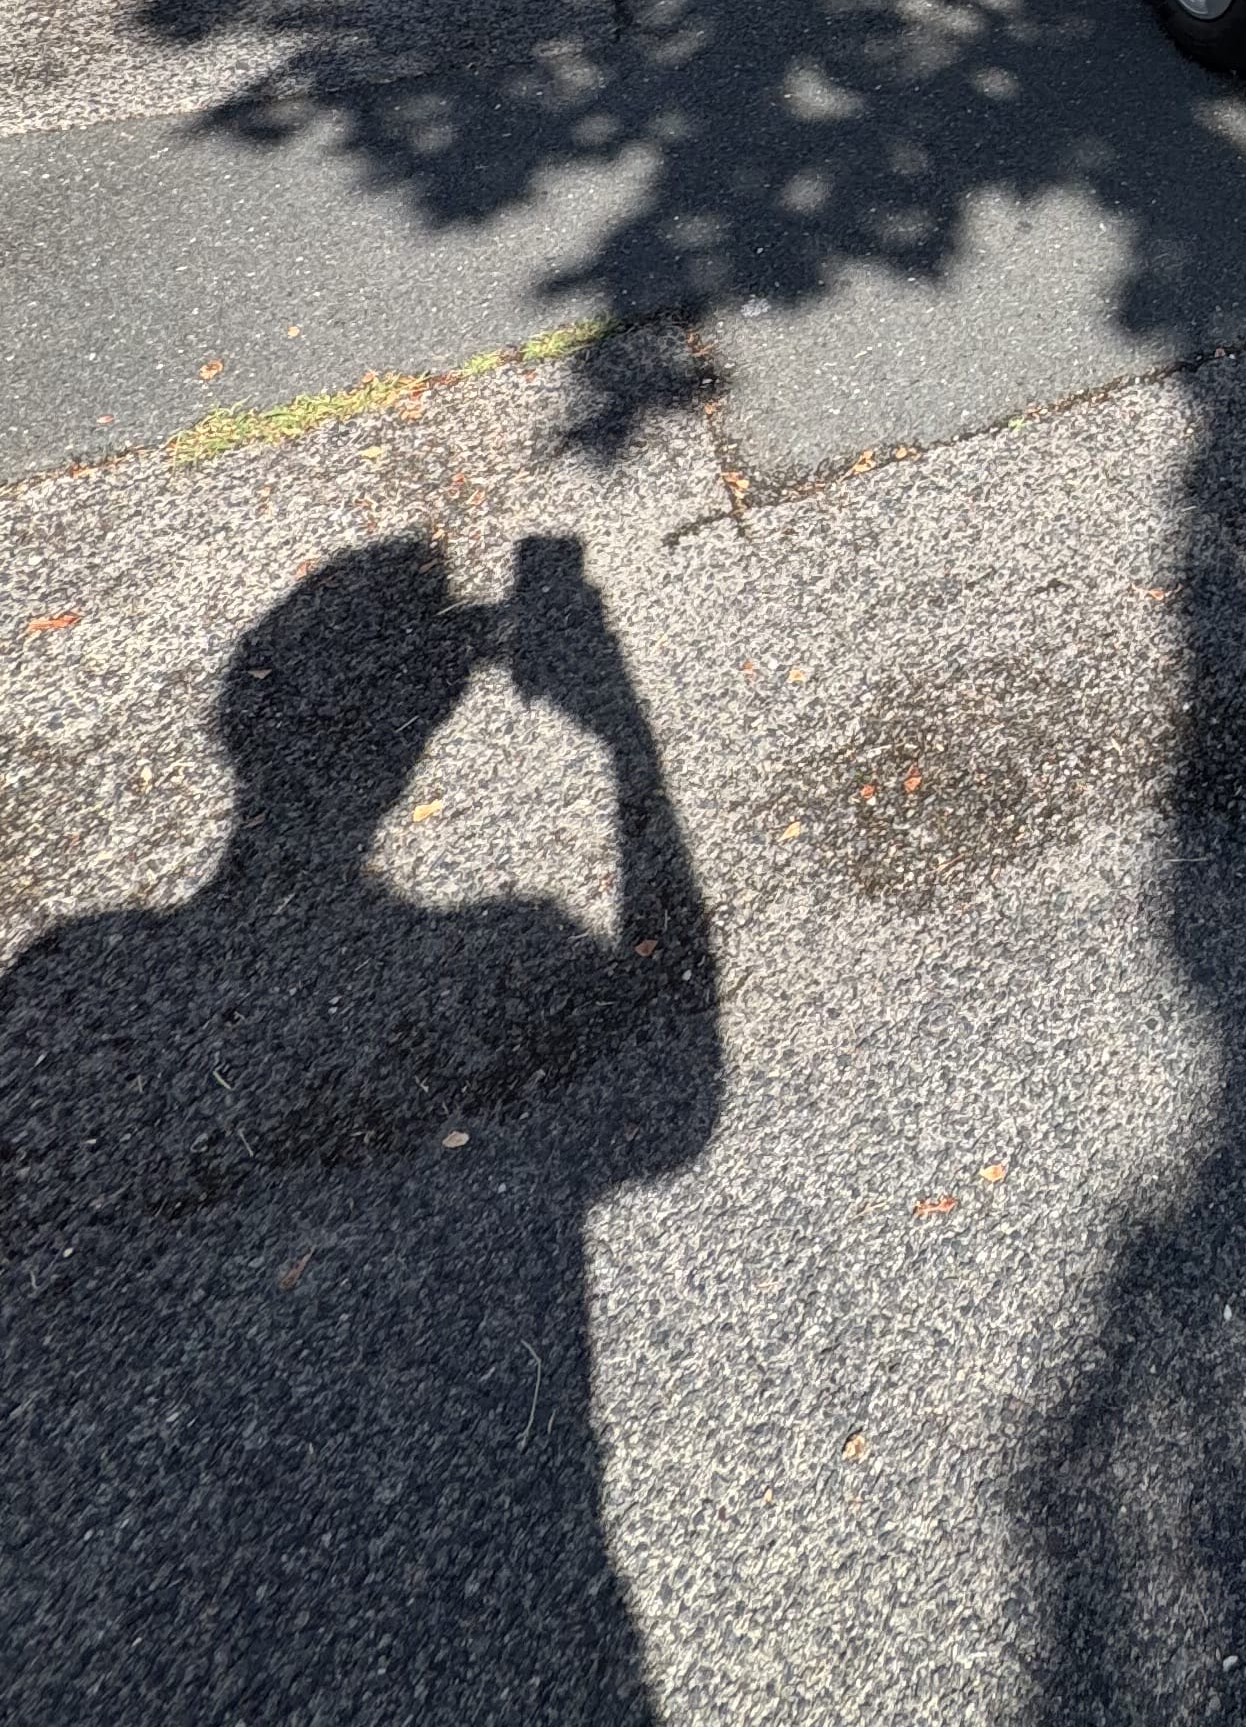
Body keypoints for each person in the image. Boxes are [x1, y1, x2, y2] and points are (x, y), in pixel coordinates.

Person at [0, 535, 719, 1721]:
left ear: (237, 729)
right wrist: (619, 731)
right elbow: (680, 1087)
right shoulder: (508, 962)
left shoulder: (65, 985)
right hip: (523, 1638)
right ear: (427, 737)